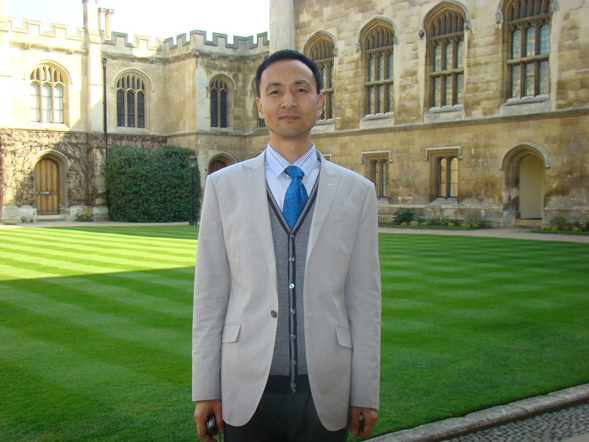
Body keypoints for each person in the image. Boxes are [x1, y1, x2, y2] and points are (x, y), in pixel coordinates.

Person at [192, 49, 381, 442]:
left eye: (301, 89)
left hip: (327, 390)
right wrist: (206, 389)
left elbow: (364, 300)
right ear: (259, 105)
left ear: (320, 102)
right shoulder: (223, 187)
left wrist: (365, 392)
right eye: (275, 91)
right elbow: (210, 295)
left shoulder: (358, 192)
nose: (289, 101)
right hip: (246, 388)